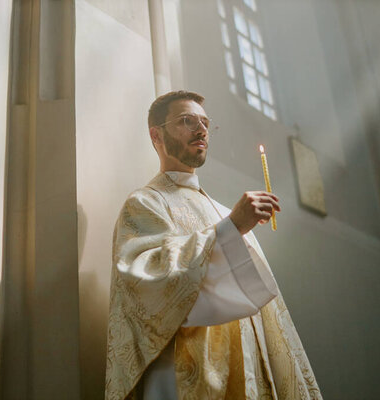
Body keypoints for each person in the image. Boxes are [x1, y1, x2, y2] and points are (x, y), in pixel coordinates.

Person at [105, 91, 322, 400]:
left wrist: (231, 226)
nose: (201, 129)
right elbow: (147, 286)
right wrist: (231, 228)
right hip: (193, 378)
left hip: (249, 366)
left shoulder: (222, 211)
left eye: (205, 122)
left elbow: (263, 311)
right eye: (186, 121)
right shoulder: (146, 202)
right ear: (157, 135)